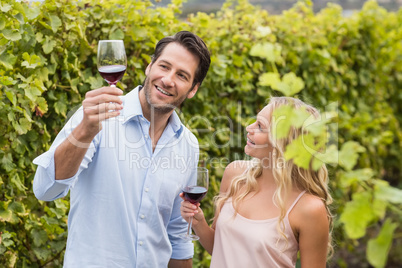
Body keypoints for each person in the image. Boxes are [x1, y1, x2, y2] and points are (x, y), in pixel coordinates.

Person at [33, 31, 211, 267]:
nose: (168, 79)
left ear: (193, 89)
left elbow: (177, 235)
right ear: (149, 67)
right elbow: (46, 190)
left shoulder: (188, 145)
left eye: (181, 75)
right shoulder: (96, 118)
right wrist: (85, 130)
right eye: (164, 66)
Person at [180, 97, 333, 267]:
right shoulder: (235, 174)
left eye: (260, 126)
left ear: (282, 144)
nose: (249, 128)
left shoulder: (309, 208)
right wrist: (198, 222)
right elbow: (220, 248)